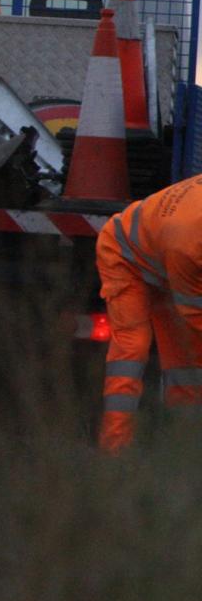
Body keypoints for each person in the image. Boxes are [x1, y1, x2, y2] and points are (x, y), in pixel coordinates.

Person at [96, 174, 202, 453]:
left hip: (163, 258)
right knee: (131, 350)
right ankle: (115, 449)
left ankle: (184, 451)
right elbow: (194, 315)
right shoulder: (190, 243)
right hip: (124, 258)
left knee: (185, 365)